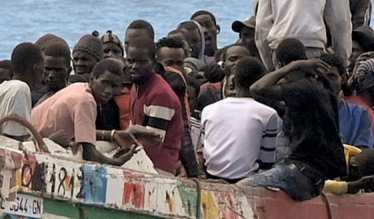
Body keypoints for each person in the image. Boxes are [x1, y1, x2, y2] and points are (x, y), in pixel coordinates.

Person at [239, 38, 346, 200]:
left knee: (240, 188)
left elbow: (257, 88)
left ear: (280, 64)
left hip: (302, 173)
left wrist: (292, 67)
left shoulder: (301, 88)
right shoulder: (322, 84)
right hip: (317, 175)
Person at [30, 59, 137, 165]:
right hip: (33, 146)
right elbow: (89, 154)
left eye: (114, 86)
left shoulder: (79, 87)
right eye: (104, 83)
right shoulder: (86, 101)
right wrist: (118, 162)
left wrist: (112, 134)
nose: (108, 90)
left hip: (32, 139)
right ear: (92, 79)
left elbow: (83, 132)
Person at [199, 56, 281, 181]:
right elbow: (266, 162)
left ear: (234, 82)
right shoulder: (268, 114)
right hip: (247, 180)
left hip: (212, 176)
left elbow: (205, 151)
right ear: (261, 82)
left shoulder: (208, 110)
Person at [125, 40, 187, 174]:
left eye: (141, 62)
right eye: (130, 61)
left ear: (153, 63)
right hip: (141, 159)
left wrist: (131, 131)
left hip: (157, 168)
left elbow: (153, 142)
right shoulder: (137, 86)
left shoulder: (160, 94)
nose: (134, 66)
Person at [0, 42, 44, 139]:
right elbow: (16, 140)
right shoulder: (21, 89)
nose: (44, 75)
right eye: (43, 68)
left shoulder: (2, 87)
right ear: (35, 68)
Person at [319, 51, 374, 150]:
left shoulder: (360, 113)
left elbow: (362, 152)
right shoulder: (305, 112)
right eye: (320, 77)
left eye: (331, 76)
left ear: (343, 78)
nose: (325, 82)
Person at [38, 38, 72, 104]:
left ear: (69, 71)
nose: (51, 75)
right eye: (47, 69)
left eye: (58, 70)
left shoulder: (75, 97)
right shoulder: (33, 97)